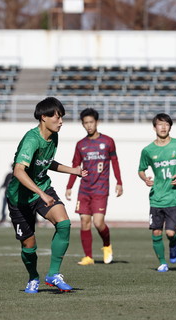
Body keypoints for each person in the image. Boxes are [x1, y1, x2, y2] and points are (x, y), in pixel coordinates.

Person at [6, 97, 87, 293]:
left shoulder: (53, 136)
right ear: (44, 117)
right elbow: (18, 171)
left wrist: (73, 170)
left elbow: (46, 162)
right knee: (29, 245)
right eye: (57, 117)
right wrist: (40, 193)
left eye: (62, 118)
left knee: (64, 224)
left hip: (42, 188)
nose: (61, 122)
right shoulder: (31, 140)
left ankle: (52, 274)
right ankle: (33, 277)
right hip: (20, 199)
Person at [65, 108, 123, 266]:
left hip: (100, 189)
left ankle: (106, 245)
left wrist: (119, 181)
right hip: (84, 189)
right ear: (82, 125)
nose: (89, 125)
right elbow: (75, 166)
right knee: (84, 221)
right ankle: (88, 257)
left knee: (98, 222)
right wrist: (69, 186)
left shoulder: (108, 141)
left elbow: (115, 162)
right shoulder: (81, 145)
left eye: (91, 122)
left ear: (96, 122)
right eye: (86, 123)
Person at [138, 113, 176, 272]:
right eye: (160, 124)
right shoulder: (148, 150)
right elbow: (141, 169)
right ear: (154, 127)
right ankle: (162, 262)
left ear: (170, 127)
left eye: (166, 124)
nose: (163, 127)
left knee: (169, 233)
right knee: (156, 231)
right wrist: (145, 179)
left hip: (174, 196)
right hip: (156, 198)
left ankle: (173, 243)